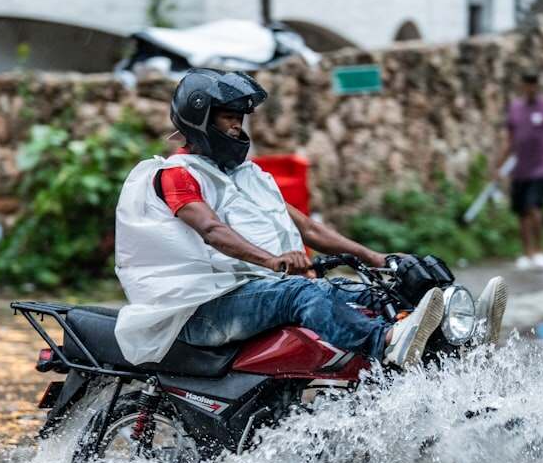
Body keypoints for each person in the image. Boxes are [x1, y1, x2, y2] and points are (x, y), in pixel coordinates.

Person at [113, 68, 508, 368]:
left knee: (374, 294)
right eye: (227, 118)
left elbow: (309, 228)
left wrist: (380, 259)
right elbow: (212, 230)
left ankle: (458, 339)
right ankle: (387, 344)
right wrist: (274, 260)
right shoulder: (176, 175)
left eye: (240, 118)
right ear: (199, 120)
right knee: (304, 293)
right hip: (203, 310)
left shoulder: (245, 176)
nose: (237, 126)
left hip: (254, 293)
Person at [497, 69, 543, 271]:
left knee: (533, 207)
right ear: (523, 85)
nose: (531, 87)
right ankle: (527, 253)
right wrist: (498, 165)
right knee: (522, 212)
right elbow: (509, 141)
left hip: (541, 168)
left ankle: (539, 250)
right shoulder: (515, 108)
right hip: (520, 169)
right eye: (528, 83)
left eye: (535, 83)